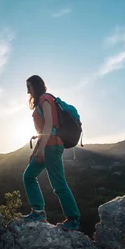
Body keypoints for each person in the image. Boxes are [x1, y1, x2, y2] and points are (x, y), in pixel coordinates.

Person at [22, 75, 80, 230]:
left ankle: (73, 219)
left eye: (29, 86)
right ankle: (39, 211)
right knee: (29, 176)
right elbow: (42, 130)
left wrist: (41, 150)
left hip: (52, 146)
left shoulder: (45, 98)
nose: (27, 90)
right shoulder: (39, 102)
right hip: (46, 145)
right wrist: (36, 151)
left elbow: (49, 125)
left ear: (35, 86)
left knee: (58, 184)